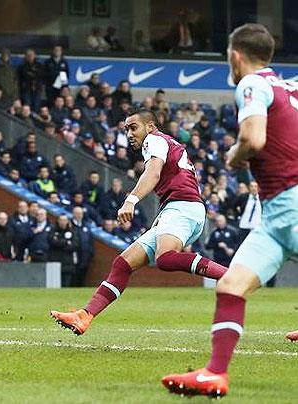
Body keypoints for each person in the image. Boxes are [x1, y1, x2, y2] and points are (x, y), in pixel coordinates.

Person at [162, 24, 298, 396]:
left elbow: (253, 139)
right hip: (275, 216)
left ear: (235, 55)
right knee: (231, 285)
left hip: (291, 203)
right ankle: (214, 373)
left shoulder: (251, 84)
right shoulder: (291, 86)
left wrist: (234, 156)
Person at [51, 109, 228, 335]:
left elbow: (153, 173)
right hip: (180, 209)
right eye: (126, 129)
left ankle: (230, 276)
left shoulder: (154, 140)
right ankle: (85, 315)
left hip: (183, 208)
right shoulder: (167, 143)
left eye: (133, 127)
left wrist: (131, 200)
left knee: (165, 258)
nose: (129, 134)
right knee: (122, 264)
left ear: (150, 126)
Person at [49, 215, 79, 287]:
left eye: (64, 220)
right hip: (55, 262)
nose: (63, 222)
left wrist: (60, 242)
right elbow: (52, 242)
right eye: (61, 220)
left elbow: (75, 245)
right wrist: (66, 242)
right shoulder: (53, 230)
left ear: (67, 221)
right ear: (58, 221)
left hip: (68, 264)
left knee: (66, 285)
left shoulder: (72, 232)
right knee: (54, 285)